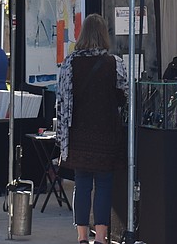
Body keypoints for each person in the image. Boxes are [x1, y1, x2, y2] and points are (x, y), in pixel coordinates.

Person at [56, 14, 128, 244]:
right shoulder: (115, 63)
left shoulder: (70, 63)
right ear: (104, 34)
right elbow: (124, 97)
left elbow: (62, 100)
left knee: (82, 183)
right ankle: (102, 237)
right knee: (104, 184)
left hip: (78, 133)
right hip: (107, 133)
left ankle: (82, 237)